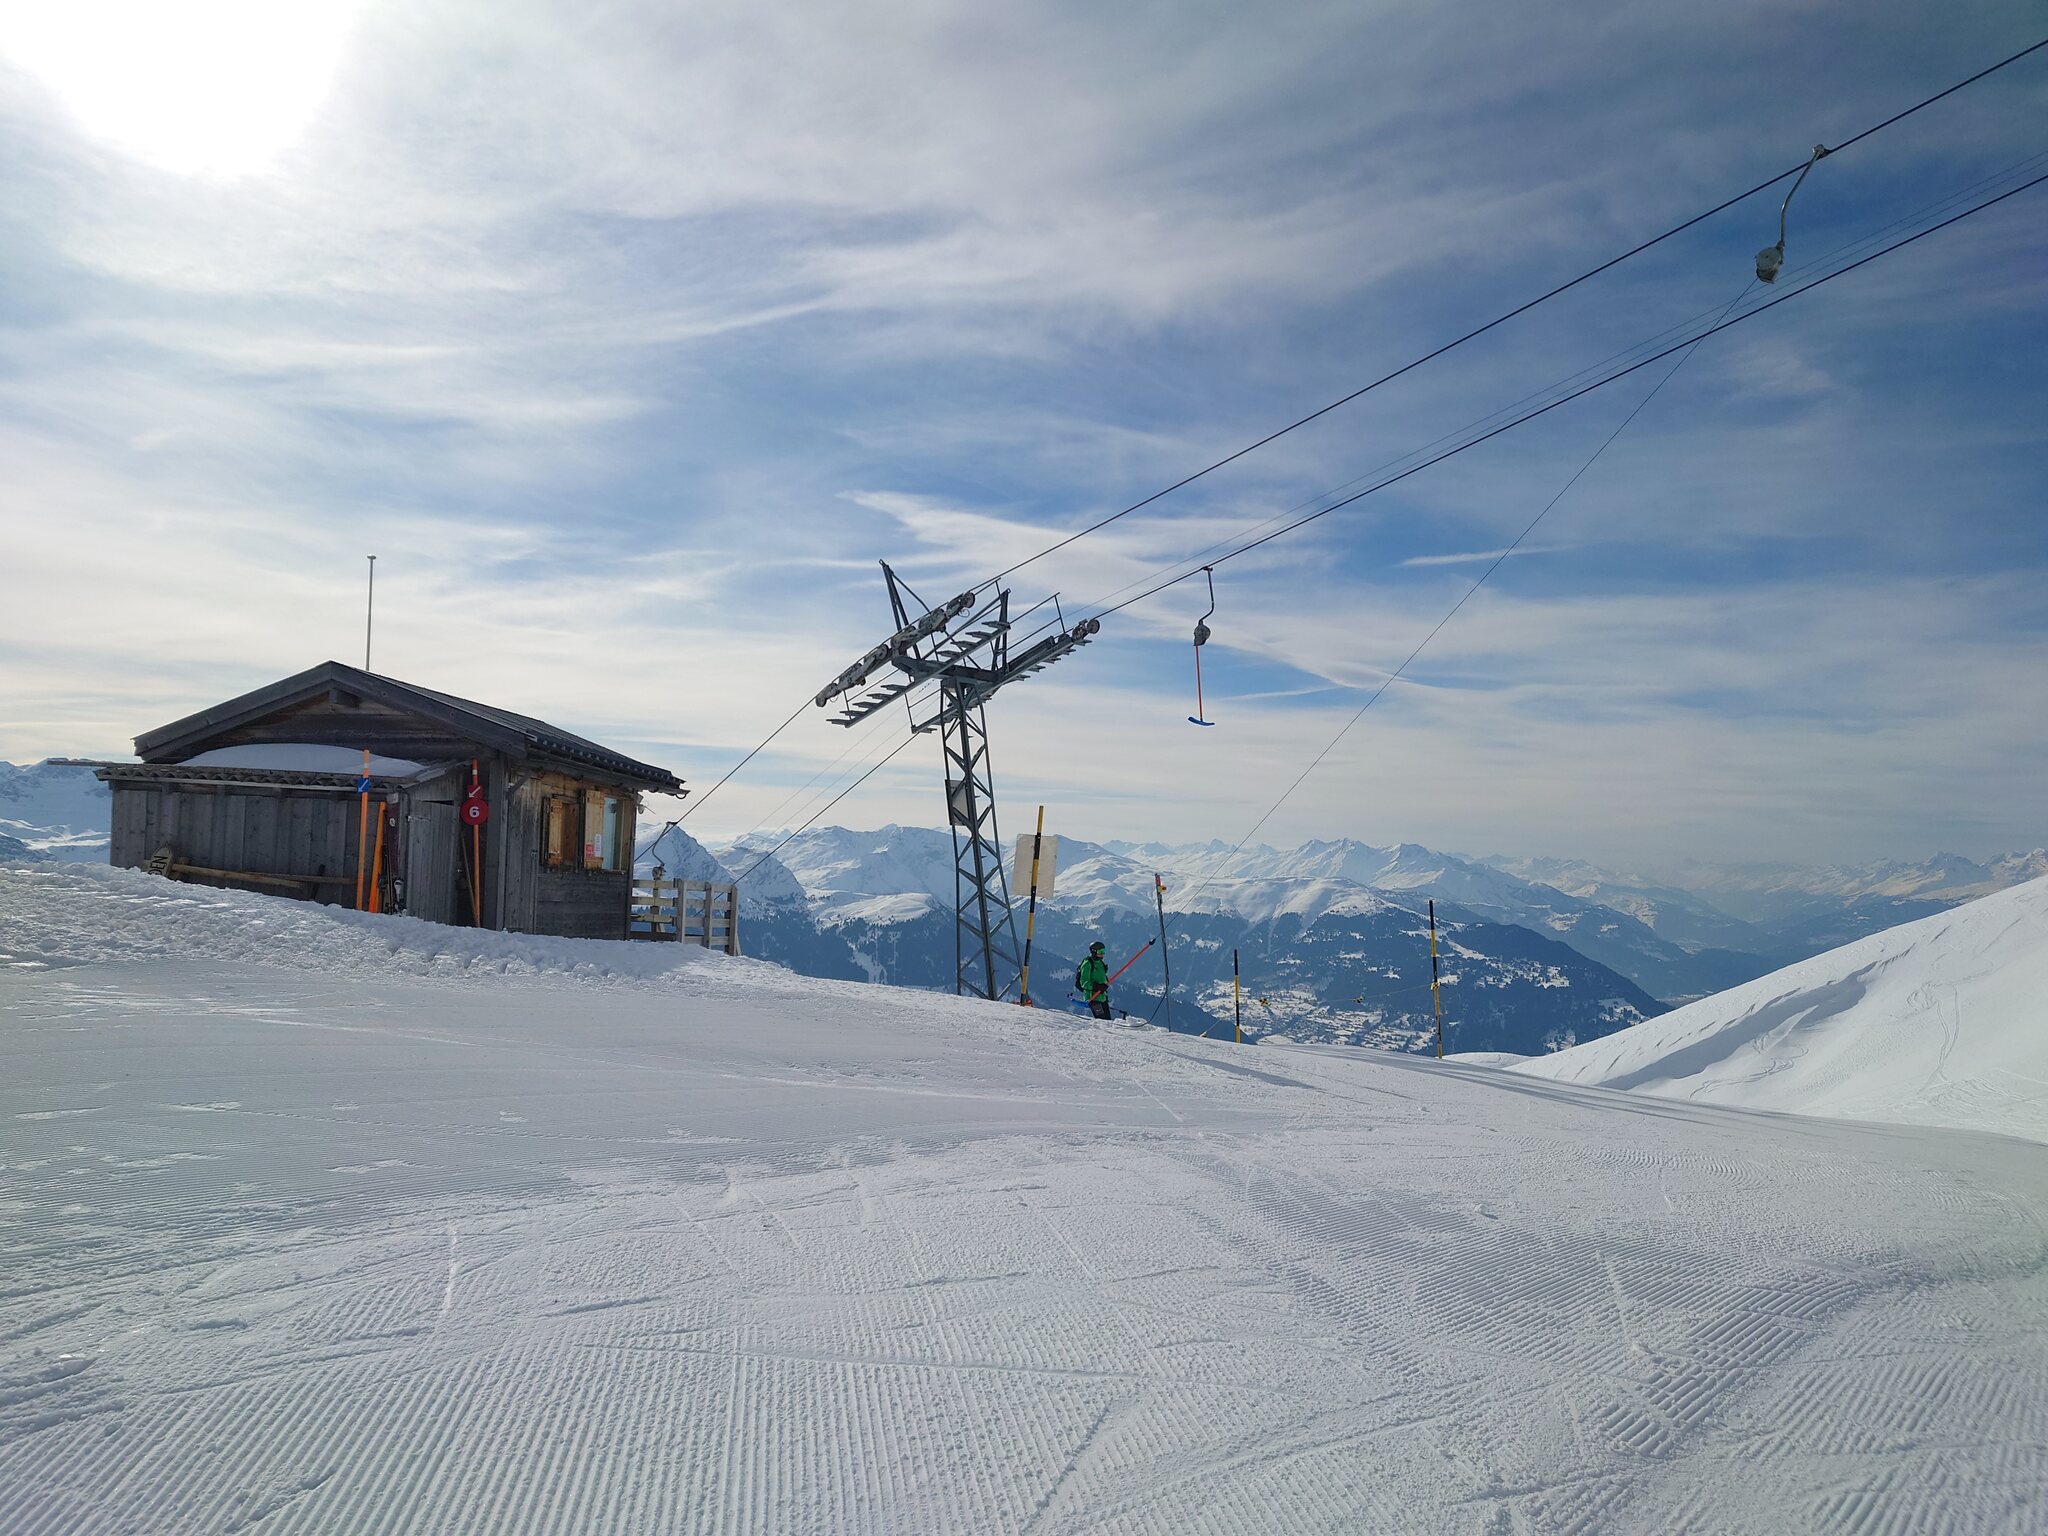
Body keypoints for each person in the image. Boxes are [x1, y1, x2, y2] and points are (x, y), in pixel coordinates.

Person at [1076, 941, 1112, 1019]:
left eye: (1103, 951)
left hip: (1102, 997)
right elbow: (1084, 982)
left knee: (1108, 1021)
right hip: (1093, 997)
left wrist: (1105, 984)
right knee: (1102, 1020)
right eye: (1100, 952)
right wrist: (1097, 987)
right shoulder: (1087, 963)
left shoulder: (1100, 963)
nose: (1102, 954)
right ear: (1094, 951)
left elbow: (1102, 978)